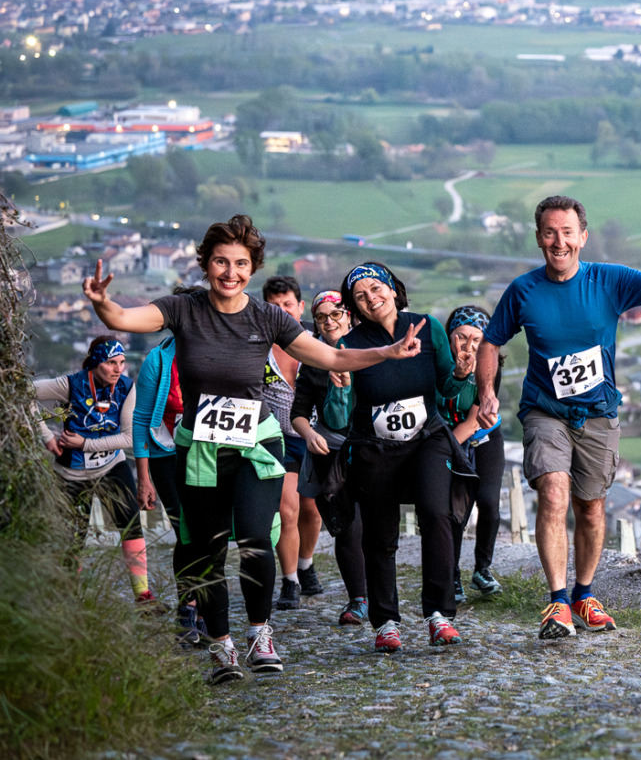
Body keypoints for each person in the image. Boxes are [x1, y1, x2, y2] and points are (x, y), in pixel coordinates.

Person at [81, 214, 426, 685]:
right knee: (206, 548)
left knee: (253, 538)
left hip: (256, 444)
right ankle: (221, 645)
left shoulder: (267, 317)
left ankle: (260, 634)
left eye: (241, 263)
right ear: (205, 264)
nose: (230, 272)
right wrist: (103, 303)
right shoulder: (184, 310)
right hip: (200, 448)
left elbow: (330, 356)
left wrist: (385, 353)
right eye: (221, 261)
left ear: (253, 267)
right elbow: (125, 318)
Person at [477, 195, 641, 639]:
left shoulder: (609, 280)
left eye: (567, 232)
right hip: (545, 411)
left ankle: (584, 594)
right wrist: (486, 389)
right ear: (539, 238)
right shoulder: (523, 290)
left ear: (583, 237)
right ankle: (557, 602)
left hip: (598, 413)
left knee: (591, 508)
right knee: (553, 491)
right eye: (549, 232)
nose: (558, 241)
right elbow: (490, 342)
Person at [336, 261, 473, 653]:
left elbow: (448, 386)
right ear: (355, 307)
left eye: (377, 289)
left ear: (394, 290)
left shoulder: (427, 327)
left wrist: (462, 373)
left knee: (436, 513)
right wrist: (339, 388)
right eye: (360, 297)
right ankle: (386, 622)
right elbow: (341, 413)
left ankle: (439, 614)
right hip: (375, 448)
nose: (371, 298)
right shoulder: (350, 345)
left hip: (426, 439)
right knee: (380, 535)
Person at [34, 336, 152, 605]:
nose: (118, 369)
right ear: (97, 363)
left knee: (132, 527)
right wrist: (46, 437)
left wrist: (86, 443)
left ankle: (144, 597)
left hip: (112, 466)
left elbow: (129, 437)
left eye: (121, 363)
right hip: (71, 474)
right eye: (111, 363)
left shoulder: (125, 386)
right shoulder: (70, 384)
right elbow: (23, 393)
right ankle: (68, 599)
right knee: (72, 538)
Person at [132, 286, 206, 643]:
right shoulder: (158, 361)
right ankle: (189, 607)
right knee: (187, 531)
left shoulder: (218, 352)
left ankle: (205, 605)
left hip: (209, 452)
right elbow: (140, 418)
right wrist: (142, 477)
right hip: (167, 453)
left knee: (209, 531)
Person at [290, 289, 367, 626]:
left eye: (335, 314)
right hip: (329, 452)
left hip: (371, 449)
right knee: (346, 526)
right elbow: (299, 412)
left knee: (375, 526)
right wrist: (308, 434)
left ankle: (379, 596)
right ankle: (358, 599)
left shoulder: (369, 350)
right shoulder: (313, 359)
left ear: (349, 316)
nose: (329, 322)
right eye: (321, 317)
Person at [261, 275, 324, 610]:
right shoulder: (258, 348)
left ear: (300, 307)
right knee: (288, 509)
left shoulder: (318, 340)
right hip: (279, 437)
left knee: (312, 511)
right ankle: (290, 582)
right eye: (274, 307)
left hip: (316, 436)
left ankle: (306, 563)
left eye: (288, 305)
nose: (282, 313)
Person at [439, 305, 505, 603]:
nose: (468, 346)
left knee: (489, 502)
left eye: (476, 340)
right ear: (448, 337)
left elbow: (472, 421)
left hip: (481, 435)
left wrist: (440, 451)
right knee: (455, 512)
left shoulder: (489, 369)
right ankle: (450, 575)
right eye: (461, 337)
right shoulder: (436, 365)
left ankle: (482, 569)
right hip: (446, 439)